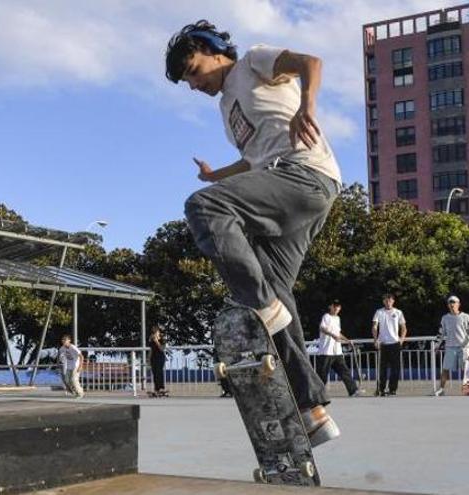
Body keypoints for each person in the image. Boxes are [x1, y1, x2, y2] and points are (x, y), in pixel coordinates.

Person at [165, 20, 342, 446]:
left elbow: (309, 62)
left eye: (193, 70)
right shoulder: (227, 109)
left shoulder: (252, 62)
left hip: (303, 177)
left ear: (214, 51)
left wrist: (307, 106)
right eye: (186, 81)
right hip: (286, 188)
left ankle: (261, 306)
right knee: (277, 291)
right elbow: (253, 160)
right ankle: (310, 409)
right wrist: (215, 175)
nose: (194, 84)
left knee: (203, 208)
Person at [316, 300, 361, 397]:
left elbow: (338, 333)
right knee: (322, 375)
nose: (336, 308)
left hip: (337, 351)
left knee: (345, 371)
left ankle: (353, 391)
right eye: (335, 306)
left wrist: (347, 340)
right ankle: (317, 395)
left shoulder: (338, 318)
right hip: (326, 351)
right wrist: (332, 335)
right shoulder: (326, 317)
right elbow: (322, 328)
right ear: (331, 307)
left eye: (338, 307)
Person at [434, 295, 469, 396]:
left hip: (464, 347)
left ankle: (468, 391)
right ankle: (441, 390)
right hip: (450, 347)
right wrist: (437, 345)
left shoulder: (465, 317)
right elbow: (441, 333)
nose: (452, 305)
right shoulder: (444, 318)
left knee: (467, 370)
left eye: (454, 302)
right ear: (448, 305)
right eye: (450, 303)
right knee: (445, 369)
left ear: (459, 304)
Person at [371, 294, 407, 396]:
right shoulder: (379, 312)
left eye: (390, 300)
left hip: (395, 343)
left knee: (395, 368)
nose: (388, 302)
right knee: (382, 369)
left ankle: (392, 389)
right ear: (383, 301)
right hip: (383, 343)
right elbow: (374, 326)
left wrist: (402, 339)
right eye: (386, 300)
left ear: (393, 301)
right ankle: (381, 389)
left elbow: (404, 327)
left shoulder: (398, 312)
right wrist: (375, 339)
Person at [149, 325, 168, 395]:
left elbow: (162, 349)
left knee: (159, 372)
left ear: (158, 331)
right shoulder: (152, 340)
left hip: (160, 357)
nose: (153, 333)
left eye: (155, 331)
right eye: (153, 332)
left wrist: (156, 341)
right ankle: (156, 388)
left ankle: (161, 387)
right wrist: (148, 359)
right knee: (154, 373)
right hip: (153, 358)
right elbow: (151, 350)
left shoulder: (163, 339)